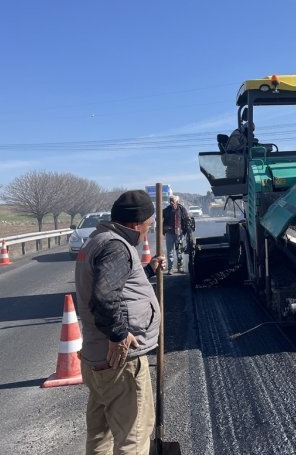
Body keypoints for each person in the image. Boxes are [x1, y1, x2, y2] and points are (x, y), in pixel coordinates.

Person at [75, 189, 166, 455]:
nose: (147, 233)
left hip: (96, 361)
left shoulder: (97, 241)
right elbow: (105, 296)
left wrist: (148, 270)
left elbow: (114, 285)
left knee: (100, 436)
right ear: (134, 224)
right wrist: (118, 335)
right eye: (148, 227)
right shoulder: (116, 246)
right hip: (120, 363)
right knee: (133, 438)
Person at [162, 195, 191, 272]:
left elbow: (187, 219)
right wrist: (164, 227)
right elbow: (158, 218)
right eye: (170, 201)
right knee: (170, 252)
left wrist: (188, 222)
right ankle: (170, 269)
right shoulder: (166, 210)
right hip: (169, 234)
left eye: (173, 201)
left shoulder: (182, 210)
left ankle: (180, 267)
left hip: (179, 234)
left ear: (177, 202)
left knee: (179, 251)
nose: (171, 202)